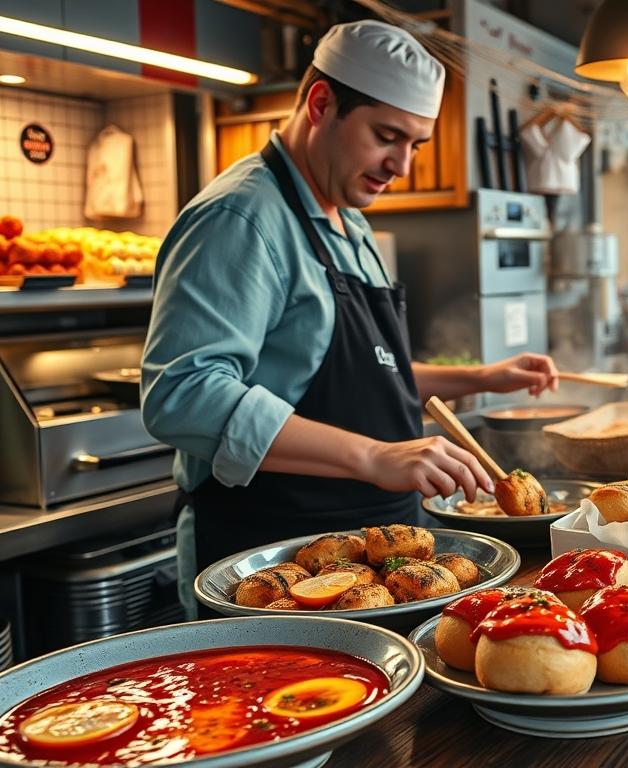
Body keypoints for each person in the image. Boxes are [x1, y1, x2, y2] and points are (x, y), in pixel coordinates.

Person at [141, 20, 559, 590]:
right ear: (320, 103)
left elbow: (365, 376)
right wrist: (372, 457)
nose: (402, 164)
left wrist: (481, 377)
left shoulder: (351, 225)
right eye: (387, 136)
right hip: (274, 563)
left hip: (380, 555)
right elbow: (181, 395)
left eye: (415, 144)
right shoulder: (241, 219)